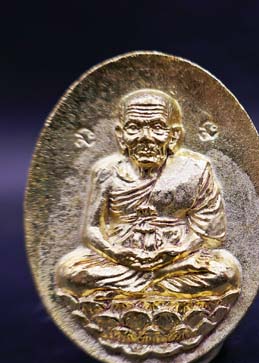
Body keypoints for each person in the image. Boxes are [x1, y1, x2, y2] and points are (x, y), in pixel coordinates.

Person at [57, 89, 240, 296]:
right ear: (121, 136)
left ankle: (143, 287)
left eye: (157, 127)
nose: (146, 137)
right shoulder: (106, 172)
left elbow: (210, 232)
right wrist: (117, 253)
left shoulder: (195, 169)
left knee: (226, 272)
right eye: (134, 127)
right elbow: (91, 230)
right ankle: (155, 288)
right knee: (69, 273)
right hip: (120, 261)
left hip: (177, 262)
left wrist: (176, 253)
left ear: (174, 135)